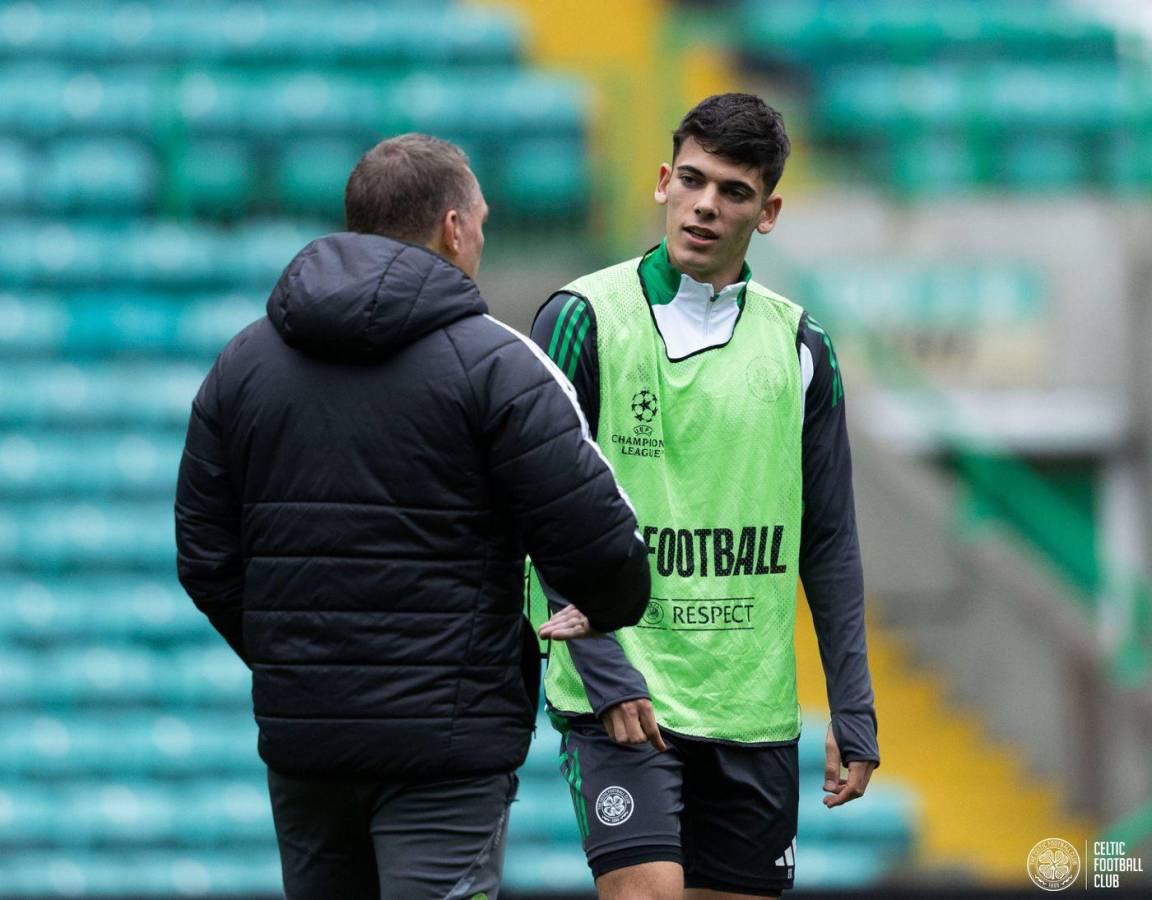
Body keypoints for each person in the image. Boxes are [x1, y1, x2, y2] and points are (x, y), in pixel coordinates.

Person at [175, 133, 651, 900]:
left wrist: (300, 659)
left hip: (309, 741)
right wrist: (612, 606)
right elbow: (605, 547)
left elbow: (203, 555)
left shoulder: (243, 362)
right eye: (483, 223)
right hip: (447, 745)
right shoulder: (498, 364)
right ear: (454, 227)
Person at [528, 94, 880, 899]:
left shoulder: (801, 348)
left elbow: (827, 540)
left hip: (749, 708)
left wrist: (852, 708)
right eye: (692, 180)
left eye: (733, 192)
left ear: (770, 211)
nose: (705, 206)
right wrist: (605, 671)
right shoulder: (582, 319)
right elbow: (537, 518)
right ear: (662, 181)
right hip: (623, 699)